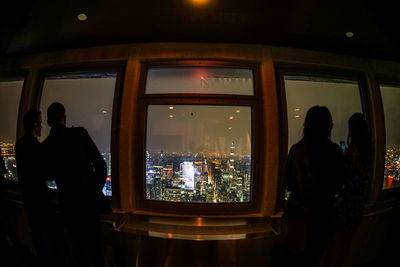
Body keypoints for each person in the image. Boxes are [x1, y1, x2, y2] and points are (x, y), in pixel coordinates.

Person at [41, 102, 107, 267]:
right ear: (65, 118)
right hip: (89, 206)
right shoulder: (80, 134)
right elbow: (100, 165)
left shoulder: (46, 146)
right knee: (96, 252)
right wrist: (93, 190)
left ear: (48, 122)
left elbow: (47, 175)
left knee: (78, 253)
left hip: (69, 208)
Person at [284, 105, 345, 267]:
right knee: (316, 258)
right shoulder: (335, 152)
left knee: (295, 257)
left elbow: (289, 184)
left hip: (298, 212)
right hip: (324, 215)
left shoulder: (296, 150)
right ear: (328, 126)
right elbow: (340, 185)